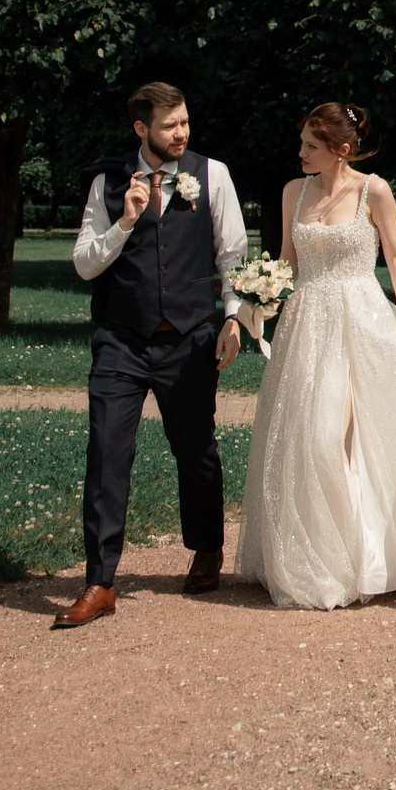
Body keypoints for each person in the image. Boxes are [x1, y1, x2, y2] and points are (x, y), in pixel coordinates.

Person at [235, 103, 396, 610]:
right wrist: (260, 296)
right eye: (301, 143)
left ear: (340, 149)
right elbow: (288, 264)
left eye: (310, 145)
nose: (300, 152)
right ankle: (326, 560)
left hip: (360, 321)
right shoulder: (295, 191)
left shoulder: (373, 190)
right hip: (307, 325)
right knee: (305, 439)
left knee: (334, 437)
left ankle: (369, 558)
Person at [53, 81, 250, 629]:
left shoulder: (214, 175)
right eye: (170, 125)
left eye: (185, 122)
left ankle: (207, 548)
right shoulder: (107, 181)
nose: (181, 133)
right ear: (142, 129)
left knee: (197, 450)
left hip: (187, 340)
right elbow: (85, 264)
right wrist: (124, 222)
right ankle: (100, 581)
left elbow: (231, 253)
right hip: (120, 339)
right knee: (107, 453)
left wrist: (232, 316)